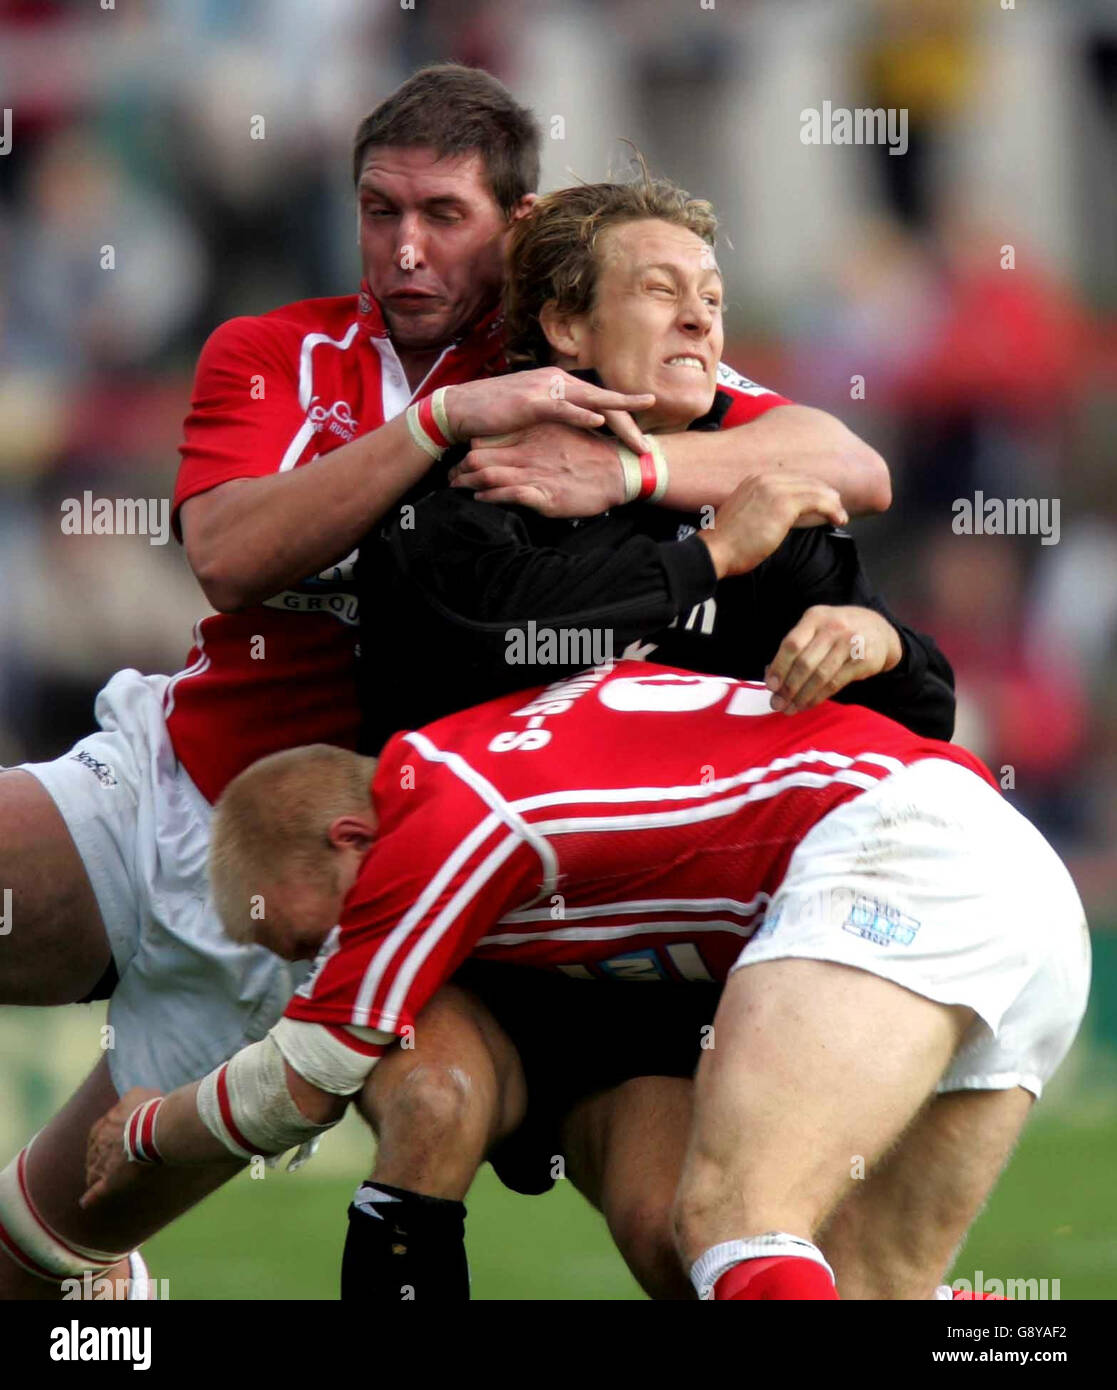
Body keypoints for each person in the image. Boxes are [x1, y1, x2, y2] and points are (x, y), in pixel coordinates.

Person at [0, 61, 889, 1299]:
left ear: (517, 228)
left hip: (355, 870)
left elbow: (844, 458)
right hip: (170, 777)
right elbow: (229, 556)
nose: (405, 249)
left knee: (39, 1259)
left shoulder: (586, 356)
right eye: (380, 211)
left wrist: (627, 479)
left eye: (443, 217)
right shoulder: (272, 348)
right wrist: (443, 424)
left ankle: (100, 1283)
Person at [347, 173, 955, 1300]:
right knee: (435, 1110)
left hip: (650, 975)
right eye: (662, 290)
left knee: (676, 1231)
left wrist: (872, 641)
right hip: (469, 942)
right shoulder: (480, 474)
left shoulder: (773, 482)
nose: (699, 319)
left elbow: (913, 719)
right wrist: (706, 557)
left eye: (714, 298)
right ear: (567, 326)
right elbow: (498, 637)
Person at [82, 661, 1089, 1304]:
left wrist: (141, 1130)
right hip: (1013, 884)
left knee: (734, 1221)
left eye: (317, 929)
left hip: (893, 854)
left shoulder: (434, 808)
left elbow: (305, 1076)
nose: (330, 956)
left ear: (350, 839)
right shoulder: (494, 751)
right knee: (873, 1292)